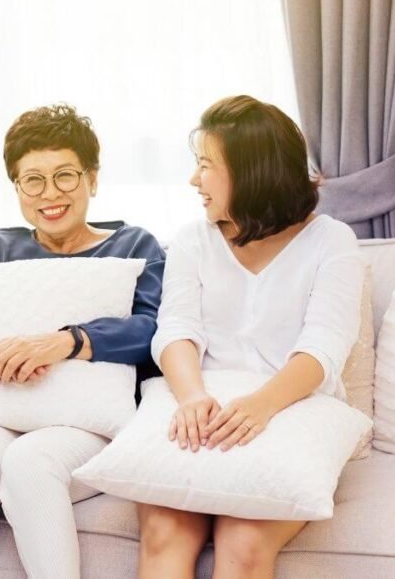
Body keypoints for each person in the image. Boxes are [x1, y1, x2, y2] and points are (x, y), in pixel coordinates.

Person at [0, 103, 166, 579]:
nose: (50, 194)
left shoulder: (133, 247)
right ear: (17, 187)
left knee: (28, 461)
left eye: (65, 176)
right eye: (33, 181)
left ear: (93, 179)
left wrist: (67, 342)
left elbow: (156, 331)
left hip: (85, 424)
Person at [138, 95, 365, 578]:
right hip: (202, 404)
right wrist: (193, 395)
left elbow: (324, 345)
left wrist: (260, 406)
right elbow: (176, 328)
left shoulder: (331, 241)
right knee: (165, 533)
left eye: (204, 166)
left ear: (251, 171)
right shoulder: (192, 240)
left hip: (292, 406)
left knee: (242, 542)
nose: (193, 181)